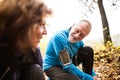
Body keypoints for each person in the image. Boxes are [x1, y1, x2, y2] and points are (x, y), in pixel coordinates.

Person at [0, 0, 52, 80]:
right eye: (41, 25)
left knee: (35, 70)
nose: (45, 32)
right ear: (21, 22)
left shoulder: (33, 51)